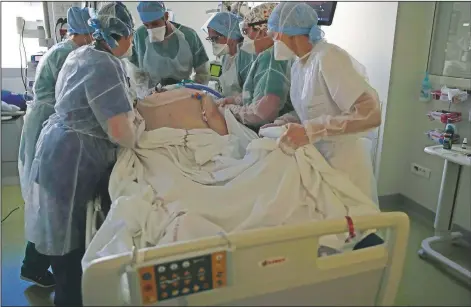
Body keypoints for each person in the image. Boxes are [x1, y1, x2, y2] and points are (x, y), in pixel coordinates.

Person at [23, 2, 136, 305]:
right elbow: (119, 131)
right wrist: (139, 132)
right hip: (72, 159)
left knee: (61, 230)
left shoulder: (80, 54)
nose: (132, 43)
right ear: (118, 35)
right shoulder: (104, 65)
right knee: (69, 248)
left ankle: (62, 286)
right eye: (131, 35)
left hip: (57, 148)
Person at [266, 2, 382, 203]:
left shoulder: (328, 57)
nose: (273, 39)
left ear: (291, 31)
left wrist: (312, 131)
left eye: (275, 33)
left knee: (352, 227)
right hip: (317, 160)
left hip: (344, 162)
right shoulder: (299, 65)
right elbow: (310, 110)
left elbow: (370, 113)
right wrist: (285, 122)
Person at [18, 6, 95, 289]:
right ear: (88, 31)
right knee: (52, 204)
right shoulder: (69, 56)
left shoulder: (65, 50)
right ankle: (35, 267)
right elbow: (76, 99)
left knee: (48, 204)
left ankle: (34, 265)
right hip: (49, 128)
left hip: (47, 125)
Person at [218, 2, 293, 132]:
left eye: (246, 31)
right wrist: (235, 100)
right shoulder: (268, 55)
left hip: (269, 131)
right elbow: (257, 93)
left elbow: (262, 114)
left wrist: (231, 110)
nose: (245, 38)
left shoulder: (273, 59)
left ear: (264, 31)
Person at [130, 1, 210, 87]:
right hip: (153, 95)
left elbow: (203, 73)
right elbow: (137, 74)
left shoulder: (189, 36)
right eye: (146, 25)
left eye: (155, 24)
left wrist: (191, 91)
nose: (151, 29)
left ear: (166, 16)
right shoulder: (140, 36)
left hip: (183, 94)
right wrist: (146, 93)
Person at [205, 11, 256, 97]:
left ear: (230, 33)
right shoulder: (226, 57)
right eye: (211, 39)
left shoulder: (246, 56)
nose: (213, 43)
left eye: (215, 38)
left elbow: (251, 93)